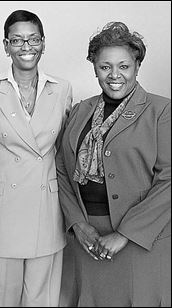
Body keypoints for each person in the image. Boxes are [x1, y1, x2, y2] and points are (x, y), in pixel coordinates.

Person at [56, 21, 171, 306]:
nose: (114, 75)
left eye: (124, 66)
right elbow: (61, 169)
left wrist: (125, 234)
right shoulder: (81, 109)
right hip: (88, 239)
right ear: (94, 67)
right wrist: (78, 225)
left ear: (137, 66)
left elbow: (169, 179)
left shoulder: (161, 110)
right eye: (105, 67)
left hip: (142, 240)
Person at [0, 9, 72, 307]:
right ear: (5, 45)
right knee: (0, 299)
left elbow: (63, 149)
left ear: (43, 42)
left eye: (33, 39)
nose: (26, 47)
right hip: (1, 208)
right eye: (17, 40)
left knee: (43, 299)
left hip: (46, 206)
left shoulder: (62, 89)